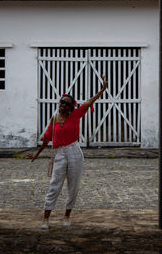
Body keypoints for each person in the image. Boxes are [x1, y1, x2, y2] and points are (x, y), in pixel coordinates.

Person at [27, 75, 108, 229]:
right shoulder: (54, 119)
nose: (63, 105)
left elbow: (90, 101)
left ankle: (67, 216)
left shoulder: (76, 114)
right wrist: (37, 155)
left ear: (71, 107)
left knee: (73, 185)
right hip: (59, 153)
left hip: (74, 151)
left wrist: (102, 89)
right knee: (54, 185)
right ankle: (46, 219)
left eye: (67, 104)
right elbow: (46, 138)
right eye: (62, 102)